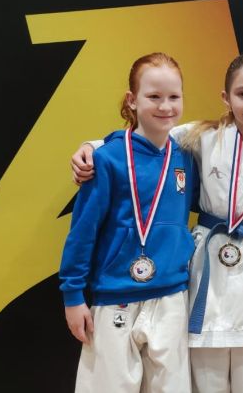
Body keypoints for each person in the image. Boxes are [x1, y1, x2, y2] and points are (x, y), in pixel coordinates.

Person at [71, 53, 243, 392]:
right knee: (200, 378)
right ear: (226, 98)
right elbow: (145, 138)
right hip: (204, 265)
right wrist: (90, 147)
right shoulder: (203, 136)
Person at [59, 52, 198, 392]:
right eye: (154, 96)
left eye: (174, 97)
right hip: (114, 295)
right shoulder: (106, 159)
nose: (165, 106)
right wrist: (73, 295)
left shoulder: (186, 157)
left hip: (171, 295)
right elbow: (83, 232)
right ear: (132, 100)